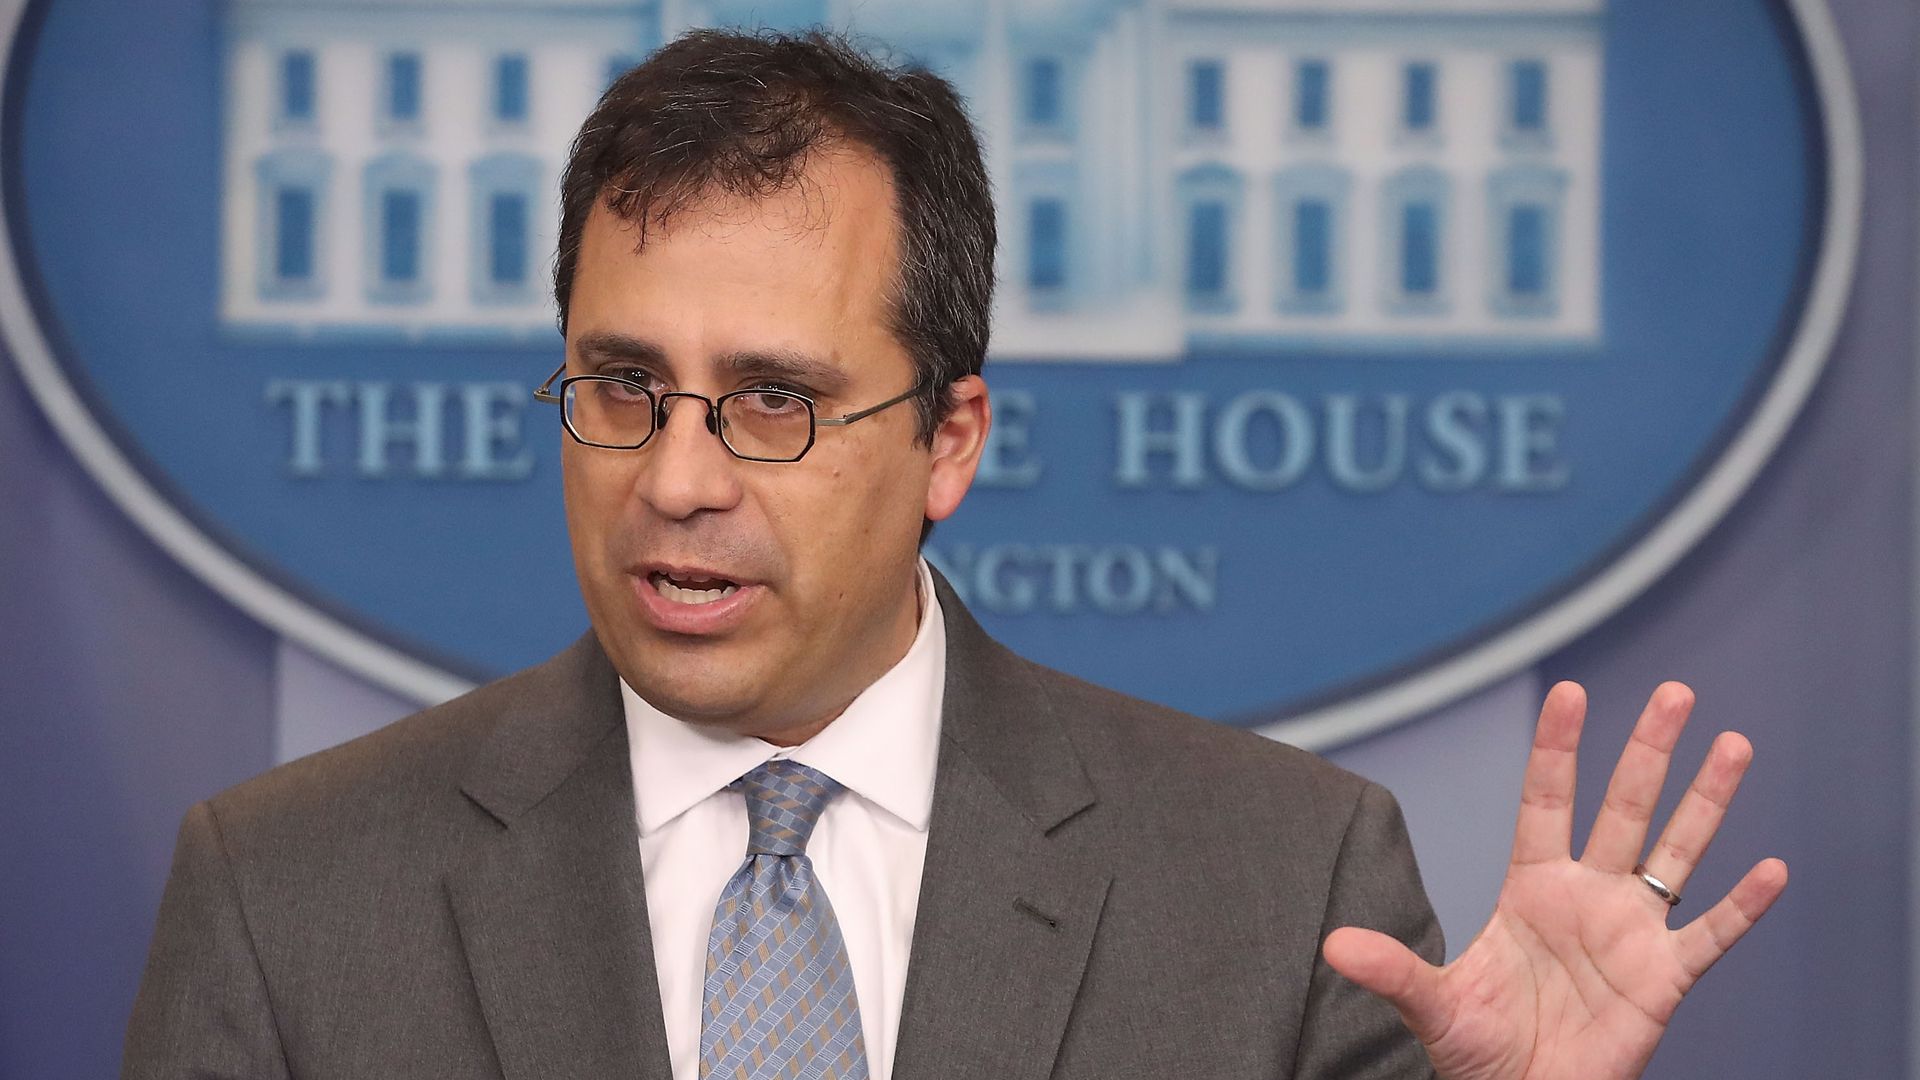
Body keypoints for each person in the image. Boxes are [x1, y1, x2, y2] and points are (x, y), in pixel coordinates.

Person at [123, 29, 1786, 1080]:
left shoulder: (1285, 886)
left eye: (776, 401)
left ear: (951, 442)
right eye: (624, 387)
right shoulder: (285, 898)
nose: (677, 479)